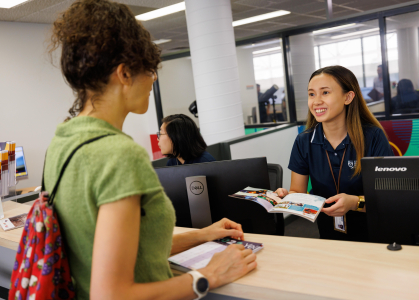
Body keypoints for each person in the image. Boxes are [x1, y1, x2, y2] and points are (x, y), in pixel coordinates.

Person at [45, 1, 256, 299]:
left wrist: (204, 235)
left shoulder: (62, 141)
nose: (153, 79)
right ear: (125, 74)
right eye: (150, 70)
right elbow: (112, 295)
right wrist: (209, 275)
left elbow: (126, 251)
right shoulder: (119, 155)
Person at [276, 65, 394, 242]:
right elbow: (297, 192)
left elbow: (388, 198)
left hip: (373, 235)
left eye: (325, 93)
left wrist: (354, 203)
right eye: (311, 94)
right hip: (328, 235)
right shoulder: (304, 141)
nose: (316, 102)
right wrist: (286, 197)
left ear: (348, 97)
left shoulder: (373, 137)